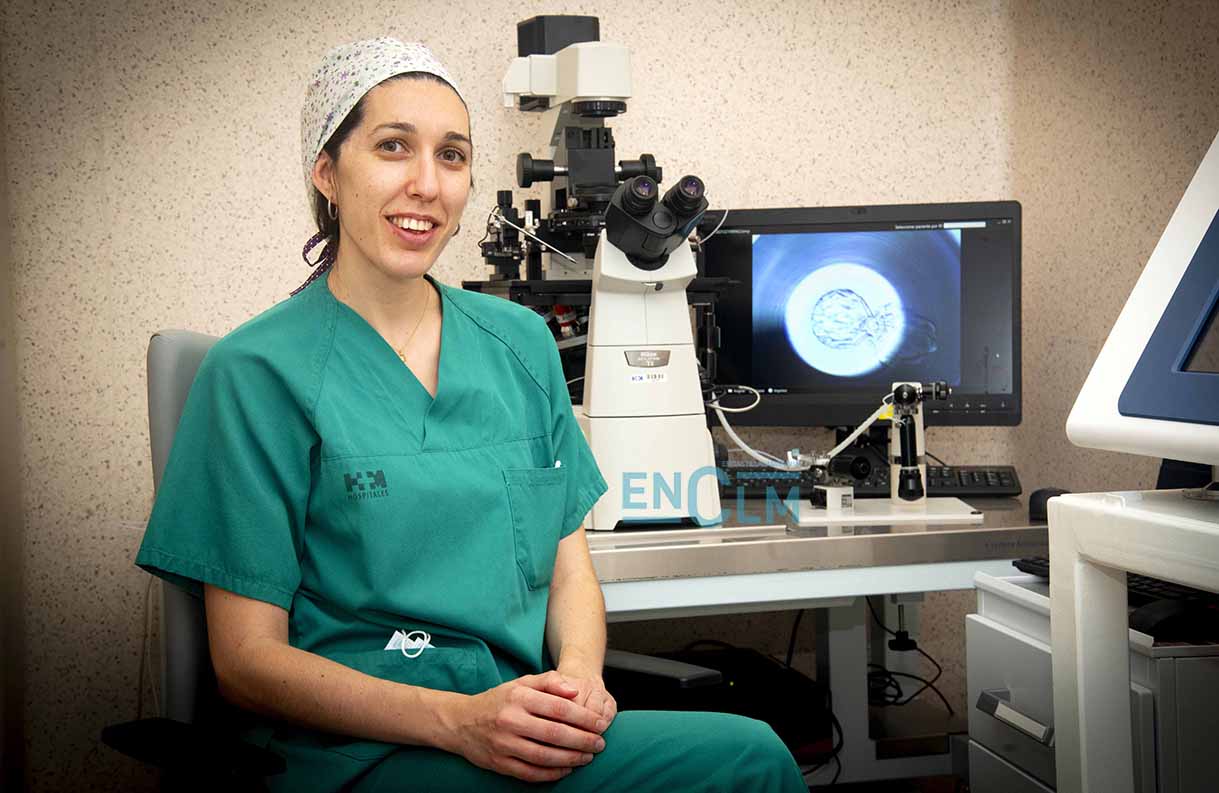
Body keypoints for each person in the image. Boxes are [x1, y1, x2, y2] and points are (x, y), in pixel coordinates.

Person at [136, 38, 807, 792]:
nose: (426, 183)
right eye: (393, 147)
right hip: (357, 751)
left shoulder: (518, 342)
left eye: (451, 156)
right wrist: (457, 722)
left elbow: (568, 574)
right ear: (326, 171)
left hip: (514, 724)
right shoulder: (255, 372)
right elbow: (247, 665)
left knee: (754, 756)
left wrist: (579, 685)